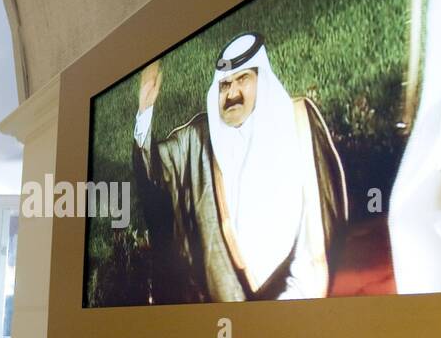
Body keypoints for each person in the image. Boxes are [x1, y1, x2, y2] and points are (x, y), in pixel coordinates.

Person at [132, 33, 348, 303]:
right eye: (224, 85)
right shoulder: (199, 139)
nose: (231, 93)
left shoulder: (297, 124)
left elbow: (316, 233)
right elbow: (153, 171)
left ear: (262, 81)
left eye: (242, 79)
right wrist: (145, 109)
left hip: (296, 300)